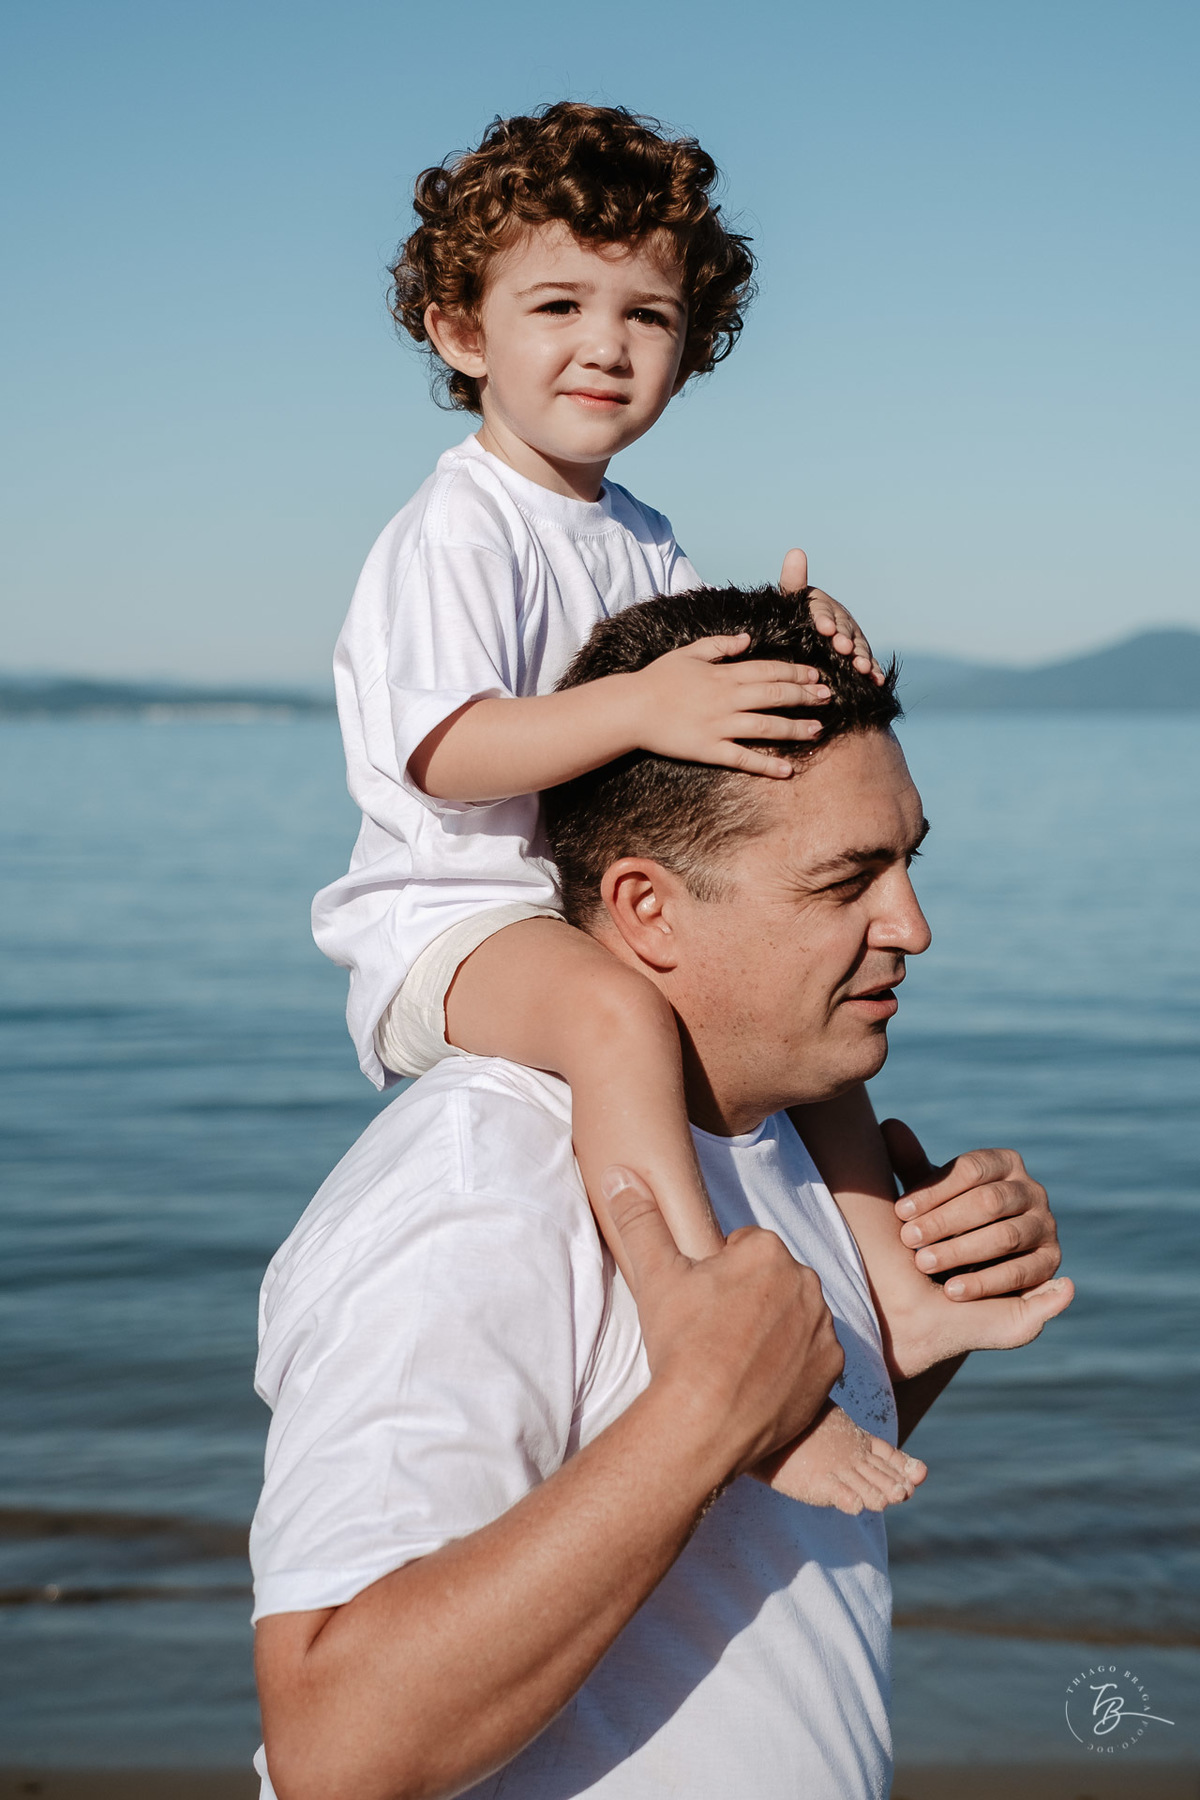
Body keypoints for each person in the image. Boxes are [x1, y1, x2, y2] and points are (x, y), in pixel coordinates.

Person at [253, 588, 1072, 1800]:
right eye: (848, 881)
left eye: (908, 861)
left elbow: (772, 1474)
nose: (915, 924)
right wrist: (703, 1417)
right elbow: (334, 1746)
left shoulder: (783, 1139)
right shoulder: (478, 1181)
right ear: (646, 908)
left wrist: (935, 1304)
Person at [312, 99, 942, 1507]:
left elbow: (681, 702)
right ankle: (700, 1332)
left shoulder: (636, 535)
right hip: (453, 923)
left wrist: (793, 643)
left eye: (648, 317)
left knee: (815, 1046)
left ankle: (895, 1284)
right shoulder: (455, 530)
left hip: (576, 901)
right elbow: (446, 750)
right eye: (557, 304)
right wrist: (645, 709)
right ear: (459, 331)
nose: (605, 345)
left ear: (690, 345)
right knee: (620, 1017)